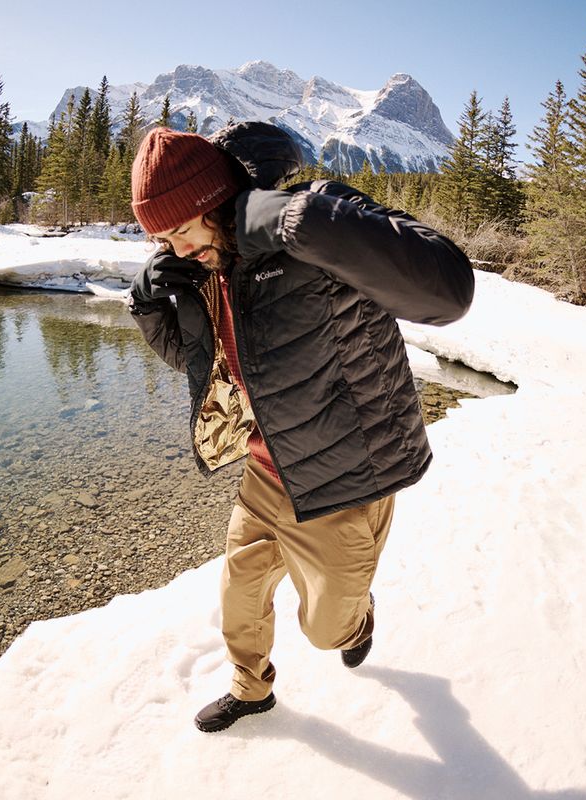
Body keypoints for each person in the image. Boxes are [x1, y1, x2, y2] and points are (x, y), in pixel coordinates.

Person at [128, 121, 474, 733]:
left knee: (326, 630)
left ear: (214, 205)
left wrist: (297, 221)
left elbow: (448, 291)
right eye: (161, 238)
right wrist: (151, 301)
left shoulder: (312, 220)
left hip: (345, 475)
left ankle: (357, 617)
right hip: (267, 468)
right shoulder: (212, 264)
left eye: (181, 231)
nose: (176, 249)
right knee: (239, 594)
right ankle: (250, 687)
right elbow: (199, 362)